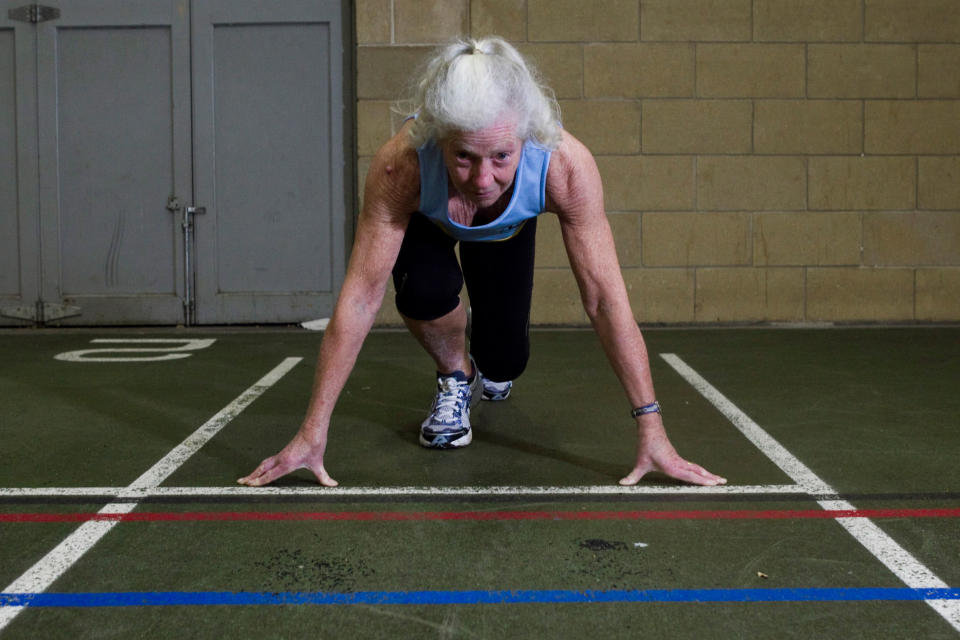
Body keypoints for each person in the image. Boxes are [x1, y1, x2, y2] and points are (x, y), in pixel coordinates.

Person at [239, 36, 726, 488]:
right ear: (439, 139)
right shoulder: (402, 166)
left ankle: (484, 364)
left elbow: (602, 299)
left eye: (501, 155)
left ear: (524, 139)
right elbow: (362, 297)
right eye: (464, 156)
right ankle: (455, 375)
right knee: (424, 288)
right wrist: (311, 431)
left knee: (506, 359)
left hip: (507, 231)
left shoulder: (563, 165)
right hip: (429, 223)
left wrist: (652, 426)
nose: (483, 179)